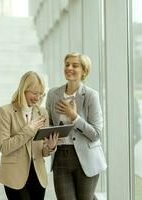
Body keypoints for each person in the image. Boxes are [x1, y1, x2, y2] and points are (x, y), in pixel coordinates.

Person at [46, 52, 107, 200]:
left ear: (84, 71)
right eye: (67, 64)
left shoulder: (91, 95)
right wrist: (49, 143)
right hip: (60, 157)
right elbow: (49, 127)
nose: (69, 68)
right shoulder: (53, 94)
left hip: (87, 158)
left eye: (75, 65)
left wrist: (73, 116)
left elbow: (96, 134)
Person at [0, 71, 59, 200]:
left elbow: (43, 151)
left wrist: (50, 147)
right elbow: (4, 147)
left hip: (38, 175)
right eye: (34, 93)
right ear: (23, 90)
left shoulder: (42, 113)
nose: (38, 98)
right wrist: (29, 130)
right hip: (14, 175)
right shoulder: (5, 111)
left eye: (41, 94)